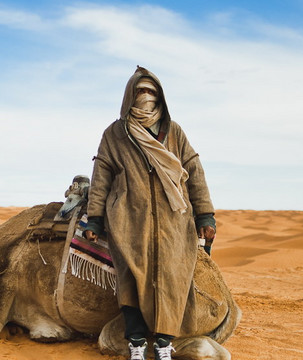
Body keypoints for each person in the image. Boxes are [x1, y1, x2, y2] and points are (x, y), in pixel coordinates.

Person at [84, 66, 216, 360]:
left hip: (174, 220)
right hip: (128, 218)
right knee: (131, 278)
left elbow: (193, 170)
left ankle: (164, 343)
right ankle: (135, 343)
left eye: (151, 91)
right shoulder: (115, 134)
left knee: (172, 277)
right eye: (141, 91)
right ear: (130, 95)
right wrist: (95, 218)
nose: (146, 97)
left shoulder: (174, 131)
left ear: (160, 97)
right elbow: (101, 176)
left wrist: (205, 214)